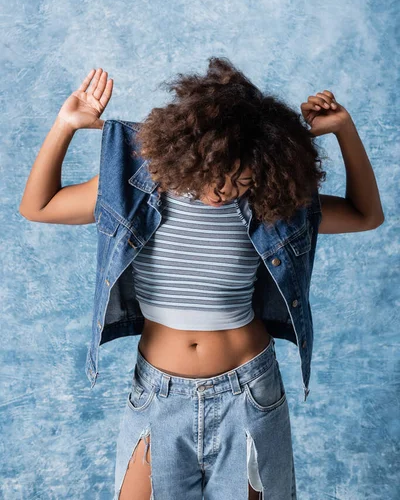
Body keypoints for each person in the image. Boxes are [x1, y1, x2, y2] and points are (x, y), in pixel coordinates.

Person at [19, 58, 384, 500]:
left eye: (241, 181)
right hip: (158, 394)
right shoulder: (137, 188)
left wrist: (344, 129)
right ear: (194, 152)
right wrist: (66, 124)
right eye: (217, 176)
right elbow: (37, 206)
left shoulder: (273, 204)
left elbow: (367, 215)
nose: (223, 193)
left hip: (248, 391)